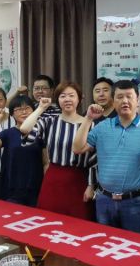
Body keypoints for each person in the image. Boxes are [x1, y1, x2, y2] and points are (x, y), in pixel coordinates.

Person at [73, 80, 140, 233]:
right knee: (104, 243)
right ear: (113, 101)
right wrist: (88, 118)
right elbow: (77, 148)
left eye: (129, 96)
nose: (125, 101)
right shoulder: (102, 127)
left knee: (134, 244)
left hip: (135, 202)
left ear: (137, 100)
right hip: (104, 200)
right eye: (120, 97)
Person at [19, 81, 94, 219]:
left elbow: (94, 160)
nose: (67, 99)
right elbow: (24, 129)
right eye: (62, 96)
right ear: (57, 100)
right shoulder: (49, 121)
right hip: (54, 177)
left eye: (71, 95)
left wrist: (91, 185)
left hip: (79, 179)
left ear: (79, 98)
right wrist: (41, 108)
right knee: (48, 221)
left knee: (78, 224)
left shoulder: (89, 124)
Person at [0, 95, 46, 206]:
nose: (24, 112)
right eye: (19, 109)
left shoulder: (40, 132)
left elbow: (46, 161)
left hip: (35, 185)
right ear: (12, 114)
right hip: (11, 186)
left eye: (27, 108)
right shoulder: (8, 133)